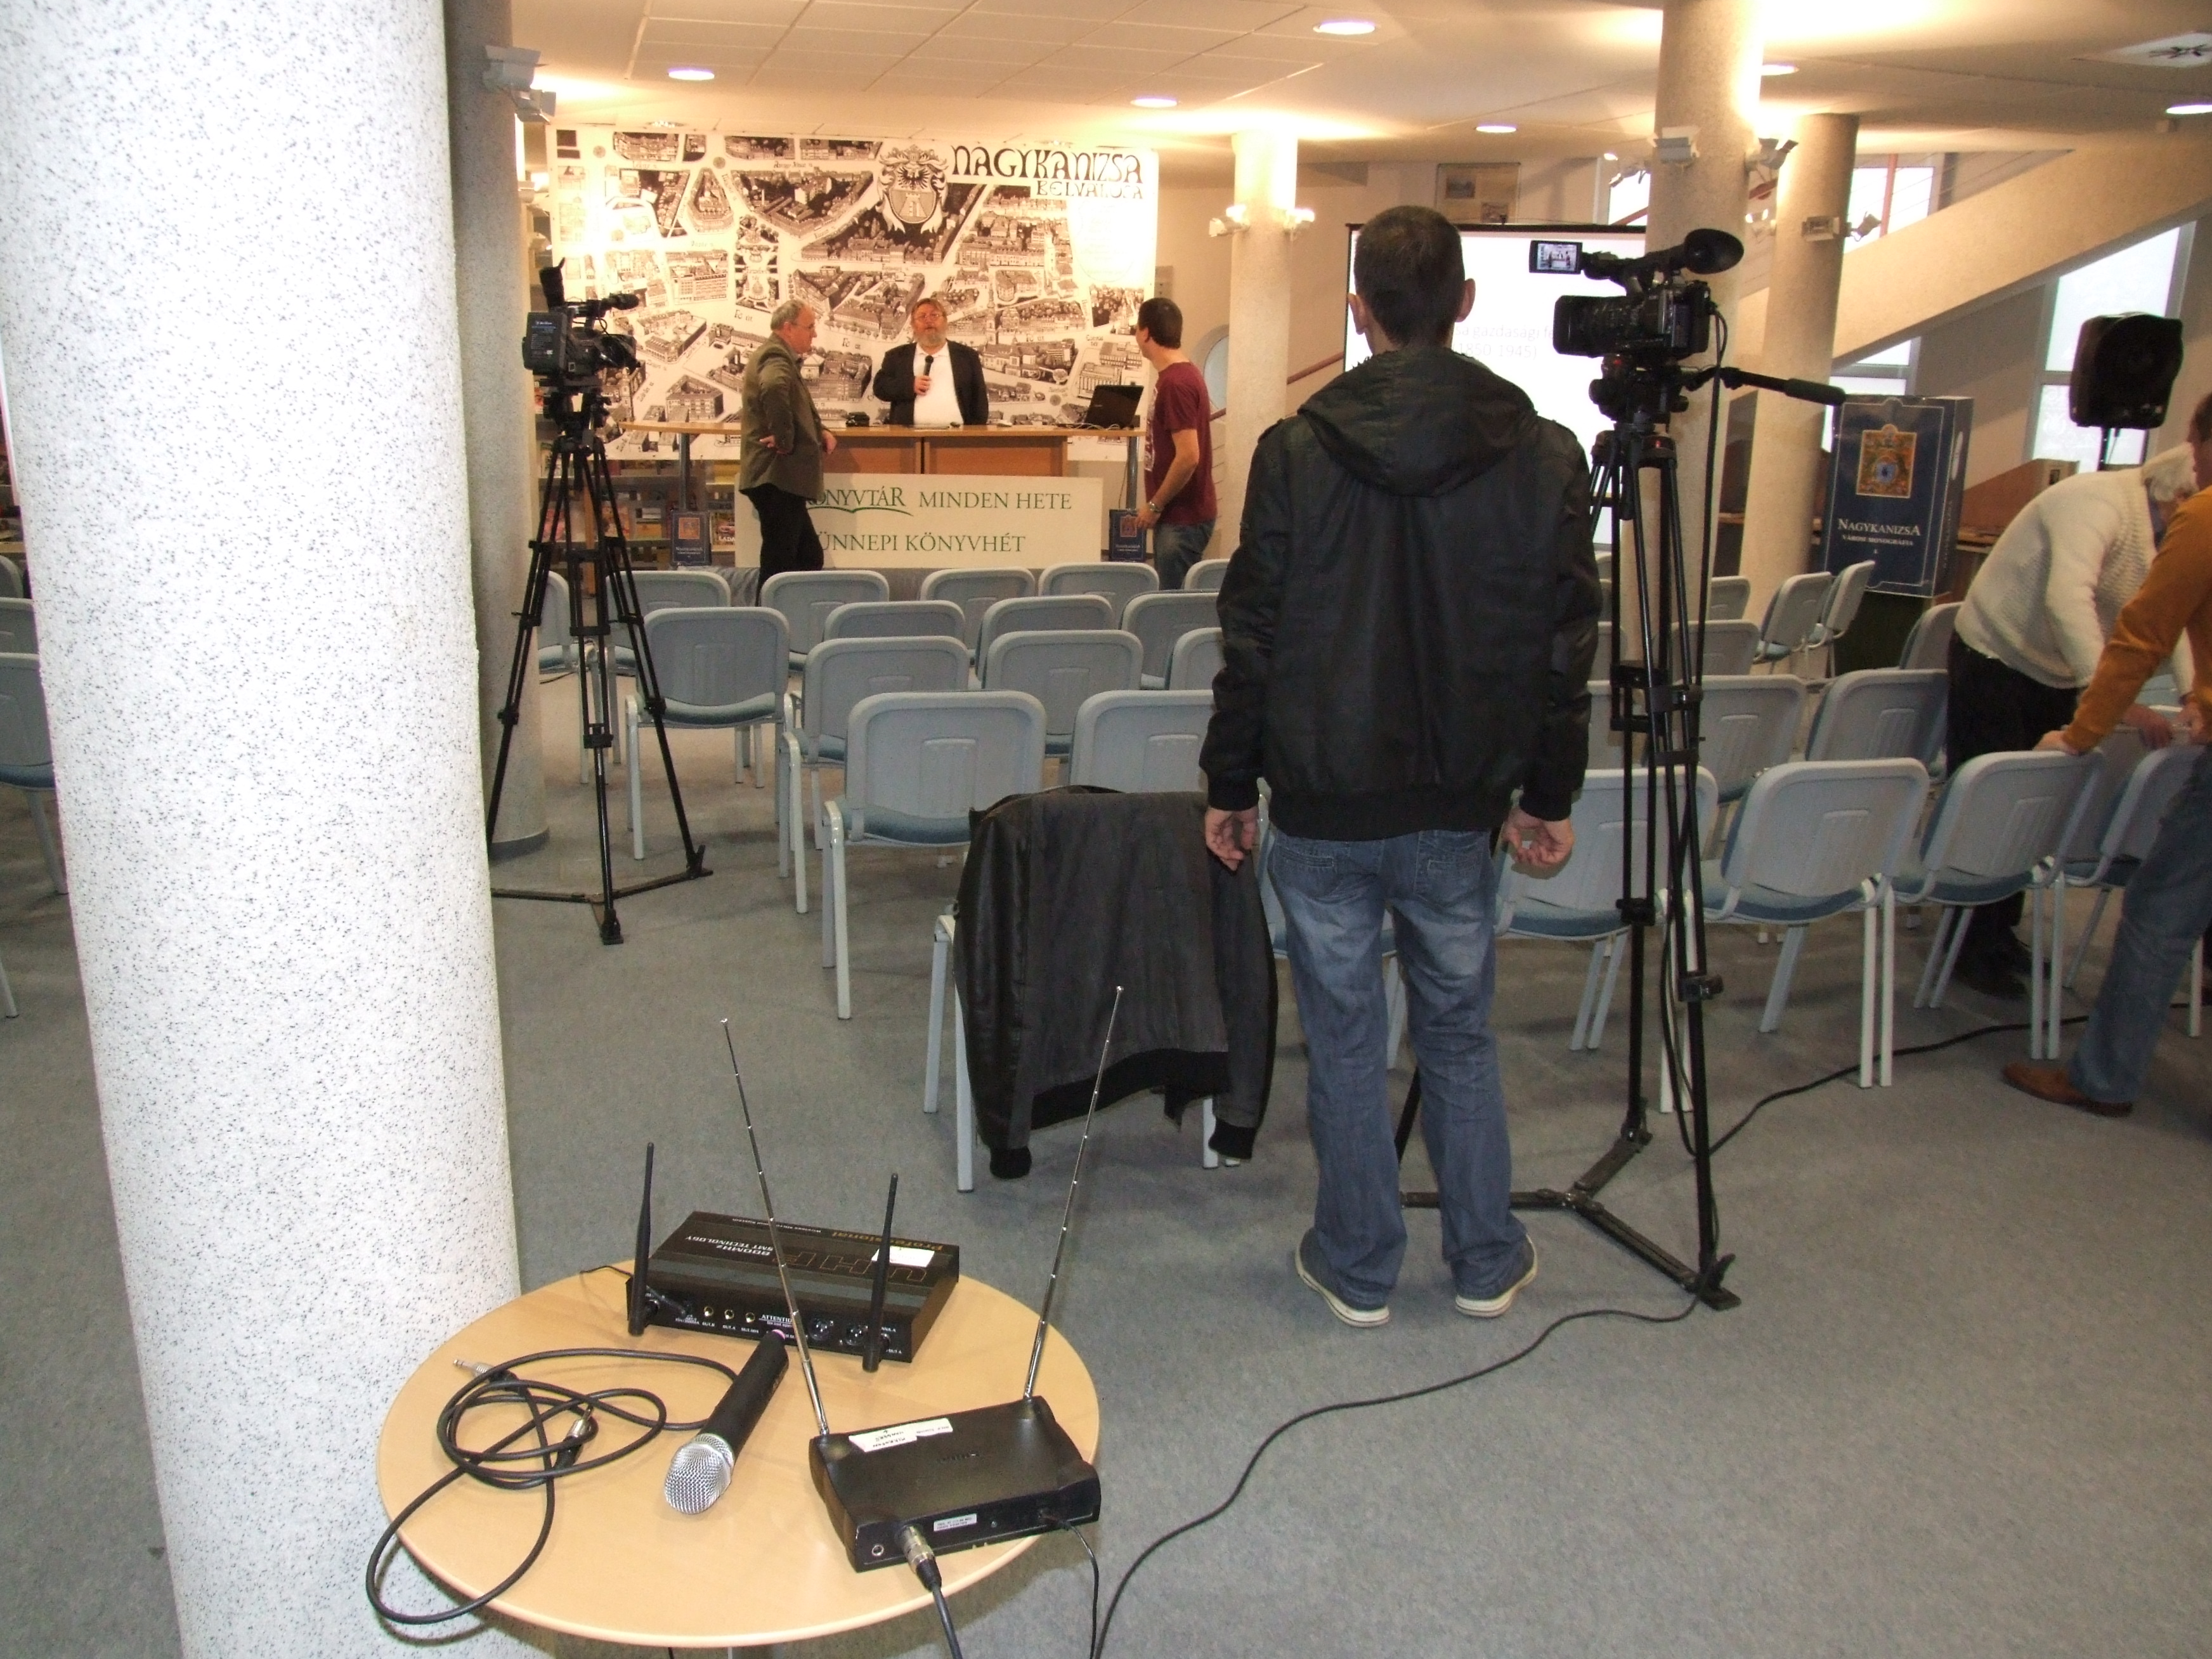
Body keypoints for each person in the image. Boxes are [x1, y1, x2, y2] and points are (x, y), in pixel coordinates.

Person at [1199, 204, 1600, 1327]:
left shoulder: (1293, 450)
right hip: (1458, 806)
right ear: (1463, 303)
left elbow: (1252, 636)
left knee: (1344, 1041)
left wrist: (1229, 784)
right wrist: (1547, 791)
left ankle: (1358, 1264)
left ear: (1358, 308)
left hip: (1324, 802)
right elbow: (1562, 642)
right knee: (1458, 1033)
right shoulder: (1541, 453)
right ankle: (1485, 1259)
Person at [2004, 398, 2212, 1117]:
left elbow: (2142, 634)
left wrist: (2082, 733)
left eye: (2195, 447)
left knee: (2158, 913)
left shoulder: (2204, 517)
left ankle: (2103, 1079)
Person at [1942, 437, 2199, 996]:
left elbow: (2176, 617)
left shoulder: (2170, 533)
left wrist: (2193, 696)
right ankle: (1965, 946)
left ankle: (2000, 932)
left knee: (2034, 807)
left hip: (2054, 671)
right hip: (1995, 656)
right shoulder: (2097, 502)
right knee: (1994, 803)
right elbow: (2067, 600)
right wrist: (2111, 697)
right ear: (2178, 494)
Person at [739, 299, 838, 582]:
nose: (814, 334)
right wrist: (784, 439)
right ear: (788, 327)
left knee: (806, 556)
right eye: (810, 327)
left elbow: (793, 403)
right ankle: (769, 609)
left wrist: (819, 431)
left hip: (779, 478)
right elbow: (773, 387)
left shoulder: (778, 355)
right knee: (782, 561)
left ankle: (783, 606)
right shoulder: (775, 356)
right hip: (776, 475)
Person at [1132, 297, 1217, 590]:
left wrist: (1155, 504)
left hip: (1182, 519)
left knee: (1173, 605)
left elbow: (1189, 456)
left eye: (1137, 329)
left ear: (1145, 333)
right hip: (1180, 517)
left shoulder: (1176, 383)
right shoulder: (1181, 375)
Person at [870, 295, 987, 427]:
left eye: (934, 315)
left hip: (957, 436)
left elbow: (980, 402)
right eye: (922, 317)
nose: (929, 321)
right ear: (913, 325)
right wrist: (910, 385)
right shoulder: (897, 356)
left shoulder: (967, 356)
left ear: (945, 321)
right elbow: (880, 388)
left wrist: (974, 434)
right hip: (909, 436)